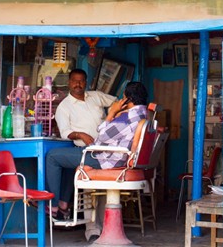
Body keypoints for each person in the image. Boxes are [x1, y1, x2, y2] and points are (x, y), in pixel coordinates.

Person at [46, 71, 148, 241]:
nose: (78, 84)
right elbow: (65, 133)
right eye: (74, 81)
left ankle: (55, 206)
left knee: (52, 156)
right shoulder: (142, 115)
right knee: (67, 160)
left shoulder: (105, 103)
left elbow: (102, 135)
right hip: (105, 153)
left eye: (81, 81)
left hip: (104, 155)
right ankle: (63, 204)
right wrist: (80, 134)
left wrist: (112, 113)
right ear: (69, 83)